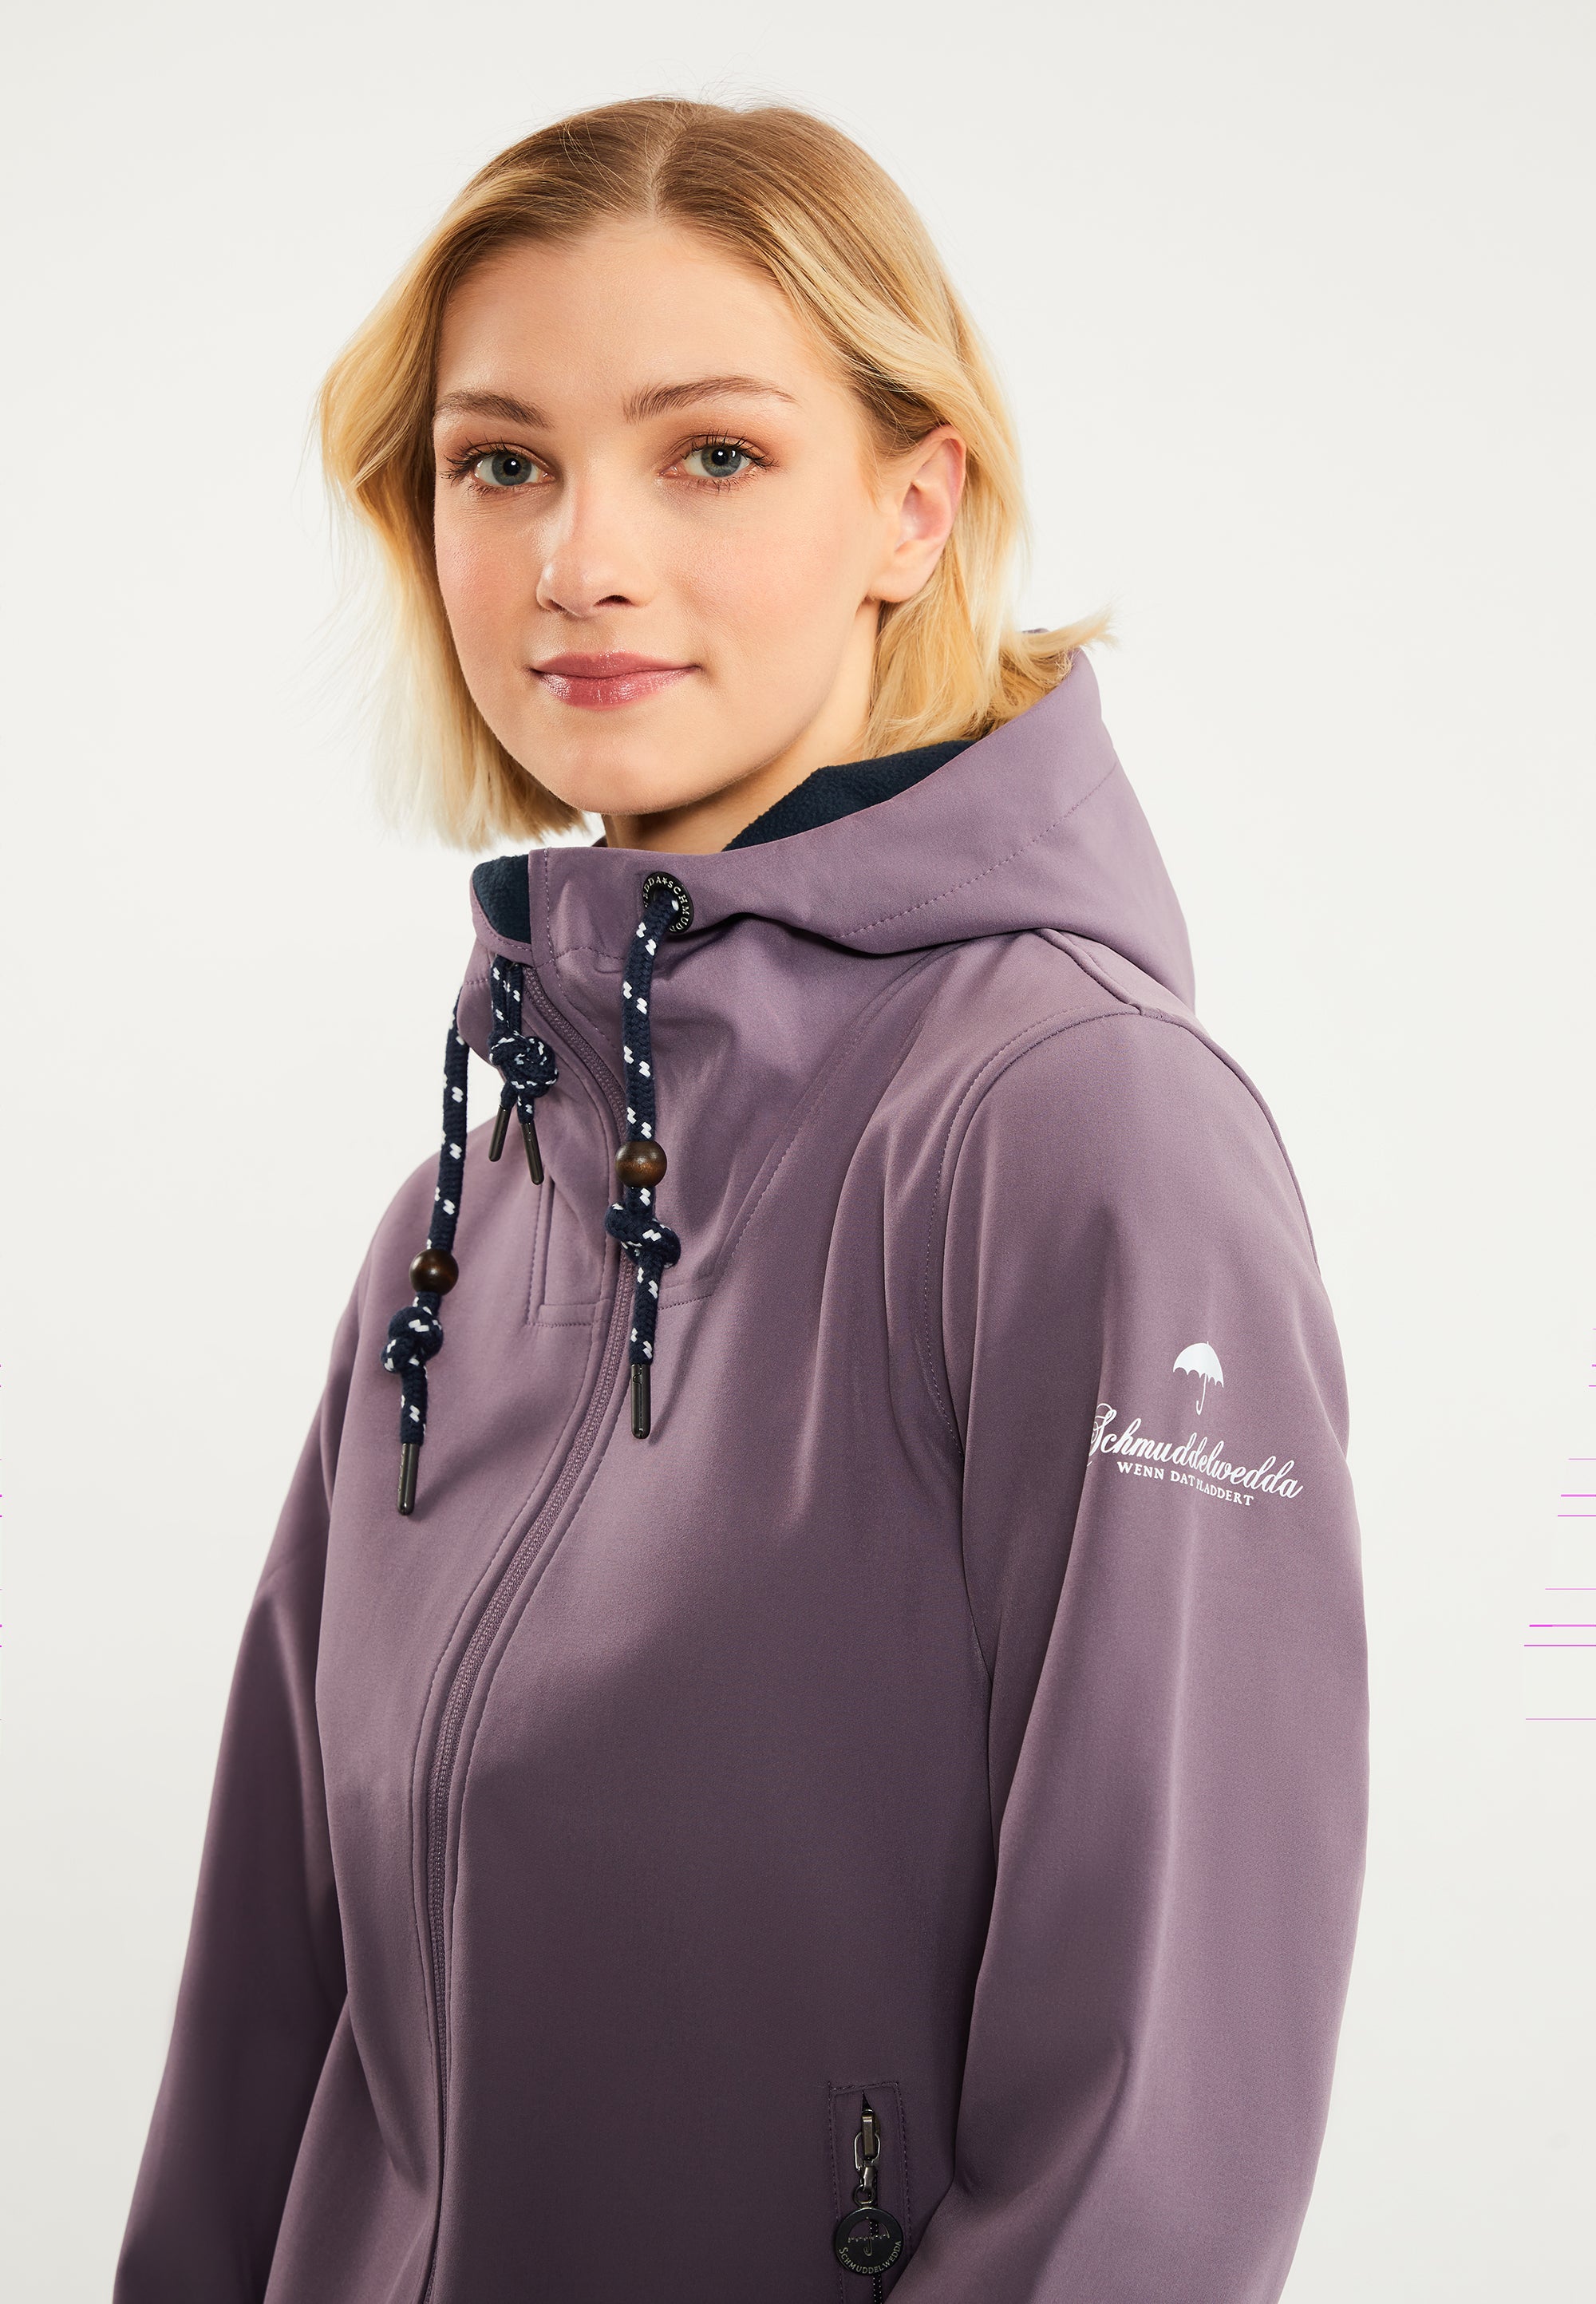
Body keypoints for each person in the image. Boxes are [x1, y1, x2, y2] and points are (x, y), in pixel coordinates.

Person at [113, 96, 1369, 2304]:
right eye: (501, 462)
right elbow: (264, 2033)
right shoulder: (460, 1219)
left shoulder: (1078, 1137)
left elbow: (1153, 2140)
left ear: (913, 502)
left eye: (709, 453)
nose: (580, 558)